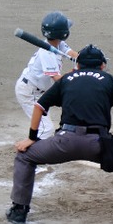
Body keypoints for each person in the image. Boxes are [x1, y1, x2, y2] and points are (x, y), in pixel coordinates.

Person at [7, 44, 113, 224]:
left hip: (64, 142)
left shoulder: (66, 79)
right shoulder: (111, 80)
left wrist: (32, 138)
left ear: (77, 66)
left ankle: (19, 211)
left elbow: (39, 107)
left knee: (25, 156)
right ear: (102, 65)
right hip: (99, 145)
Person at [15, 11, 80, 139]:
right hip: (30, 92)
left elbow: (73, 54)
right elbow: (57, 79)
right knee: (46, 130)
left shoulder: (57, 44)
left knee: (43, 126)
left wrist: (84, 61)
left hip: (39, 91)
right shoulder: (47, 53)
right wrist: (75, 76)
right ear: (63, 33)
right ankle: (31, 155)